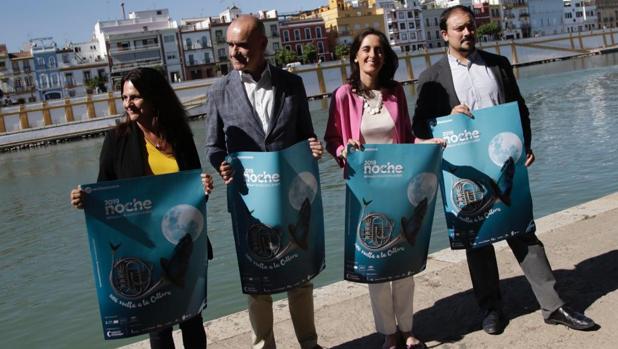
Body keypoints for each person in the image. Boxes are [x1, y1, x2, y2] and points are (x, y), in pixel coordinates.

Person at [412, 5, 597, 335]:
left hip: (505, 165)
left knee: (524, 232)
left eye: (470, 26)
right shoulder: (431, 78)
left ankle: (553, 305)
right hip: (465, 173)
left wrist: (525, 145)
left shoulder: (498, 65)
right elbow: (421, 129)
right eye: (459, 29)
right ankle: (491, 310)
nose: (467, 32)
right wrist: (450, 117)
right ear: (444, 35)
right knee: (477, 243)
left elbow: (519, 109)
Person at [70, 67, 213, 349]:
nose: (128, 104)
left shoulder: (180, 134)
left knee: (192, 317)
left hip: (184, 243)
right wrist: (83, 199)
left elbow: (193, 189)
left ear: (154, 97)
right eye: (124, 98)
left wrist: (204, 186)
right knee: (158, 325)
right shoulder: (116, 140)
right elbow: (104, 192)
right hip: (145, 248)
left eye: (135, 97)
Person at [204, 15, 324, 349]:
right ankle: (264, 346)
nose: (234, 52)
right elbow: (213, 147)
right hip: (247, 203)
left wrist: (313, 146)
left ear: (262, 44)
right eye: (229, 45)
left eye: (241, 44)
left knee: (299, 277)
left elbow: (306, 134)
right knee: (257, 282)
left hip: (291, 196)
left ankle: (309, 344)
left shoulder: (292, 85)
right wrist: (221, 164)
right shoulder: (218, 91)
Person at [325, 28, 444, 349]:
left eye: (378, 49)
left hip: (399, 185)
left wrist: (428, 145)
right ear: (355, 55)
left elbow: (406, 138)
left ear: (385, 56)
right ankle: (388, 332)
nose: (372, 55)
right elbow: (332, 141)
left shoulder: (396, 93)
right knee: (376, 262)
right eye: (366, 49)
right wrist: (343, 150)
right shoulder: (342, 96)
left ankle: (407, 327)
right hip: (365, 190)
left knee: (403, 260)